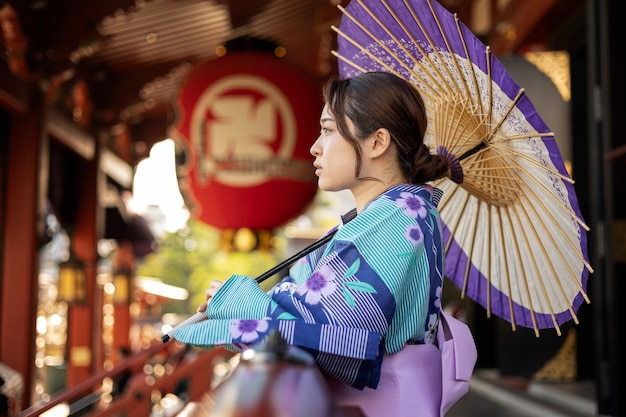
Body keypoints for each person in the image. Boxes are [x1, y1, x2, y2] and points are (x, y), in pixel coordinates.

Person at [171, 71, 459, 416]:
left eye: (328, 130)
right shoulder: (390, 214)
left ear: (377, 142)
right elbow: (309, 298)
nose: (315, 146)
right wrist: (233, 302)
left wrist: (240, 301)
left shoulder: (398, 216)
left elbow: (334, 328)